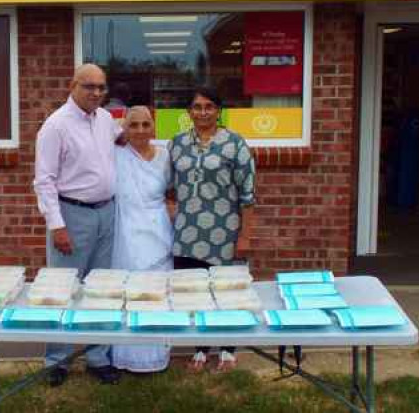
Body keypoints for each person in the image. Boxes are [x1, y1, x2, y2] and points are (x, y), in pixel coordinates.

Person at [33, 63, 121, 387]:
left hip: (106, 213)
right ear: (73, 86)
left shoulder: (105, 120)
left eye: (101, 87)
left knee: (101, 289)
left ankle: (98, 357)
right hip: (73, 215)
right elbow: (44, 181)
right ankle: (57, 360)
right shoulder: (55, 126)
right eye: (89, 87)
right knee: (64, 288)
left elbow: (123, 139)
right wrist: (57, 227)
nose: (96, 93)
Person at [169, 86, 256, 373]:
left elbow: (248, 194)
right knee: (194, 291)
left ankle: (228, 349)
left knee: (227, 291)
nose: (202, 112)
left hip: (225, 231)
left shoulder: (235, 144)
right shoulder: (177, 144)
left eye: (209, 106)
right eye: (197, 107)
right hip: (188, 233)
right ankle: (200, 347)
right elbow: (169, 189)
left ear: (219, 111)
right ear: (189, 112)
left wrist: (245, 235)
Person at [110, 106, 173, 373]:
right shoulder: (115, 155)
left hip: (159, 229)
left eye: (145, 124)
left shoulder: (165, 156)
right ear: (124, 129)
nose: (140, 131)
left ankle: (156, 355)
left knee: (157, 293)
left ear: (154, 128)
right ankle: (126, 356)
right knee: (129, 292)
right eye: (133, 125)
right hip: (125, 229)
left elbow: (171, 191)